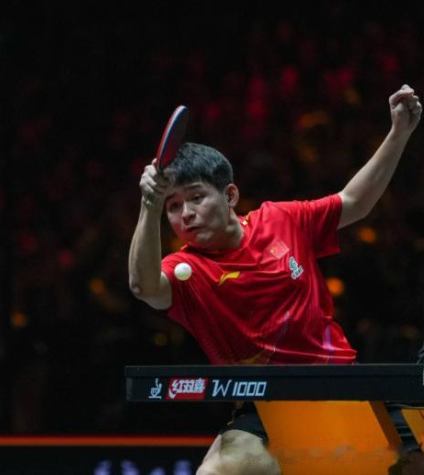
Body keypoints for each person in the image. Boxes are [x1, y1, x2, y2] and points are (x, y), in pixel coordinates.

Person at [128, 85, 422, 475]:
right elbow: (144, 287)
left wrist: (399, 132)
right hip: (265, 406)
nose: (186, 214)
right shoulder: (188, 271)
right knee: (216, 472)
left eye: (196, 198)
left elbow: (354, 202)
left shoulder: (281, 220)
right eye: (174, 206)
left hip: (341, 384)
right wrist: (149, 206)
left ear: (230, 195)